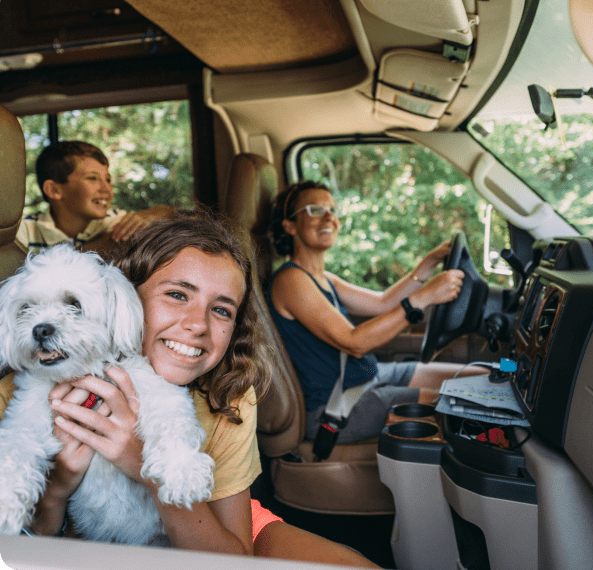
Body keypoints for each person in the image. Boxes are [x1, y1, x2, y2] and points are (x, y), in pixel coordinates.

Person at [0, 210, 379, 567]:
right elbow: (27, 539)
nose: (197, 324)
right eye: (178, 295)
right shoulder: (28, 389)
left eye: (221, 309)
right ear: (129, 296)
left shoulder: (228, 391)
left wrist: (144, 466)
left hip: (212, 519)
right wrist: (57, 486)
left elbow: (230, 559)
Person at [268, 181, 485, 443]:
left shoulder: (323, 278)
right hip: (337, 406)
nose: (329, 217)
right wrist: (424, 297)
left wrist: (427, 265)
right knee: (465, 403)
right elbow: (355, 342)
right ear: (289, 225)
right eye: (315, 210)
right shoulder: (290, 280)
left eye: (332, 210)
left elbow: (383, 302)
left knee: (480, 378)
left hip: (367, 377)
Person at [15, 140, 174, 255]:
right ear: (54, 190)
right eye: (92, 178)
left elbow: (172, 215)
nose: (107, 189)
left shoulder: (116, 223)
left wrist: (155, 213)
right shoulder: (23, 232)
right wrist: (104, 244)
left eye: (108, 180)